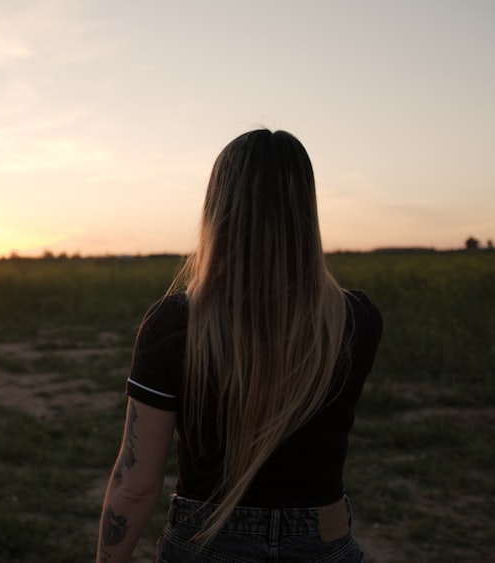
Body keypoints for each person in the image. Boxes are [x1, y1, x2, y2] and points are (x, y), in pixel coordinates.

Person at [96, 129, 383, 563]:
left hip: (204, 546)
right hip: (323, 544)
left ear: (218, 209)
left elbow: (134, 485)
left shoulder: (174, 324)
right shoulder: (356, 319)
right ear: (306, 209)